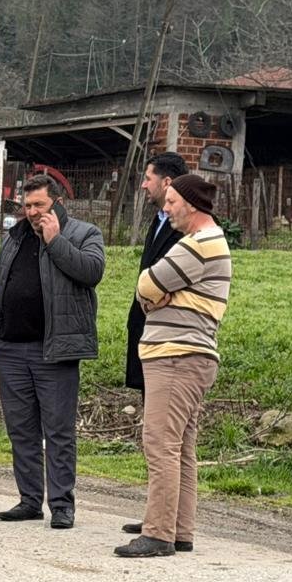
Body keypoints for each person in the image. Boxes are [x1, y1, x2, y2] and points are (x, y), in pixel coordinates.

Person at [116, 173, 233, 558]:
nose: (166, 210)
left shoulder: (198, 245)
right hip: (189, 355)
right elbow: (154, 290)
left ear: (190, 204)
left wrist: (154, 295)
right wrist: (158, 296)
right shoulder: (209, 242)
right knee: (181, 446)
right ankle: (179, 529)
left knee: (161, 443)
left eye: (171, 203)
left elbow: (146, 284)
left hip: (175, 355)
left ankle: (158, 533)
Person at [0, 173, 105, 529]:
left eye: (40, 204)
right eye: (28, 205)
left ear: (57, 203)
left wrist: (55, 241)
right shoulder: (14, 237)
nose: (33, 211)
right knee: (21, 430)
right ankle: (29, 500)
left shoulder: (84, 234)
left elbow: (91, 272)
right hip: (11, 348)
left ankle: (62, 504)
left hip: (55, 350)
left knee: (58, 432)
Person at [118, 151, 188, 539]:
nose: (143, 184)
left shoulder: (185, 228)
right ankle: (158, 514)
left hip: (169, 341)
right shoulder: (159, 219)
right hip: (148, 333)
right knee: (156, 433)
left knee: (165, 439)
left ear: (167, 181)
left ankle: (165, 524)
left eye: (148, 178)